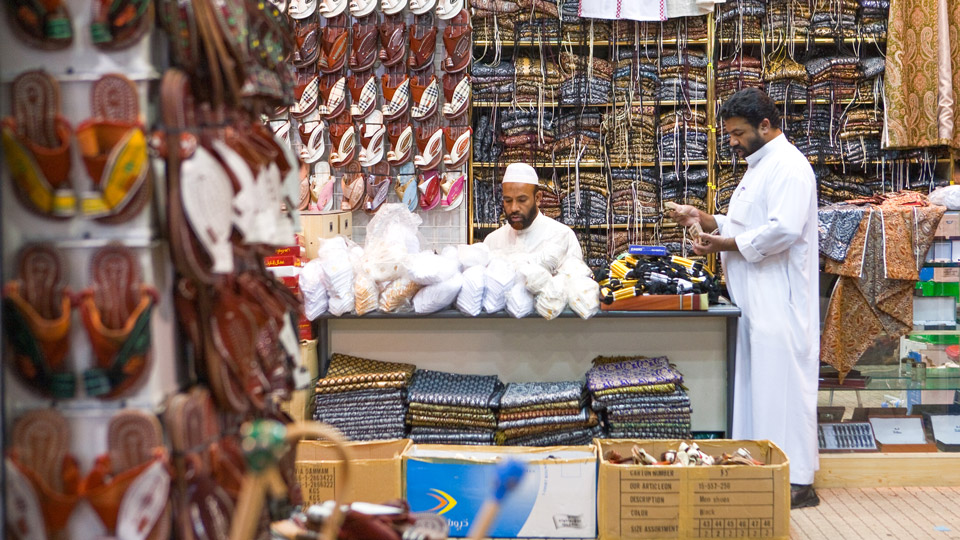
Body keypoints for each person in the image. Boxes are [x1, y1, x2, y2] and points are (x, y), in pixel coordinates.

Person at [668, 88, 821, 509]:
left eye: (737, 133)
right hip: (757, 301)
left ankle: (796, 481)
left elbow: (783, 231)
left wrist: (724, 244)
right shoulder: (760, 166)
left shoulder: (789, 167)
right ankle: (762, 472)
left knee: (783, 390)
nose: (731, 141)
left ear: (765, 126)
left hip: (780, 301)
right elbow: (745, 222)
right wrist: (702, 218)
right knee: (761, 390)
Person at [483, 163, 583, 263]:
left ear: (537, 198)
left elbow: (576, 276)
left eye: (522, 200)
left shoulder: (562, 236)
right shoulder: (492, 241)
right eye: (508, 200)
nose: (514, 208)